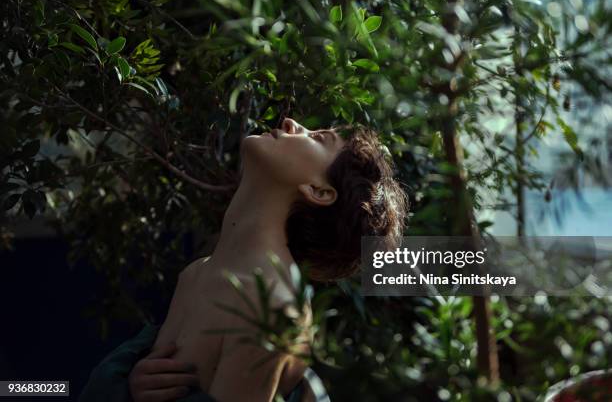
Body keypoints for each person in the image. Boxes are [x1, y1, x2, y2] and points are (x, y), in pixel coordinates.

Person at [80, 118, 408, 402]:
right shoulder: (196, 274)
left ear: (319, 191)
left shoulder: (271, 309)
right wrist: (130, 386)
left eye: (317, 138)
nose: (292, 124)